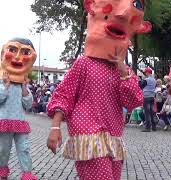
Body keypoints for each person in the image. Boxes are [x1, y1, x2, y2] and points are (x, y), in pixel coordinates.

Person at [46, 0, 151, 179]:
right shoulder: (84, 64)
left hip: (114, 136)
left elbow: (134, 101)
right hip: (87, 134)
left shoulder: (125, 72)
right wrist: (55, 127)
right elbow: (64, 95)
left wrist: (122, 70)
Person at [0, 38, 37, 179]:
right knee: (3, 150)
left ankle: (27, 174)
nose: (17, 57)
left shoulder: (23, 85)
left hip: (20, 122)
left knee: (24, 148)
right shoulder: (1, 81)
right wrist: (5, 85)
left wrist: (24, 89)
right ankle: (2, 170)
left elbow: (28, 105)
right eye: (13, 50)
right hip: (4, 121)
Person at [140, 67, 156, 132]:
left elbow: (141, 86)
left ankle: (148, 127)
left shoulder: (146, 80)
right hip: (152, 96)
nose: (145, 73)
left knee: (147, 112)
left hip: (146, 96)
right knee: (152, 112)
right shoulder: (154, 80)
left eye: (145, 72)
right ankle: (154, 126)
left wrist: (140, 81)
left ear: (147, 72)